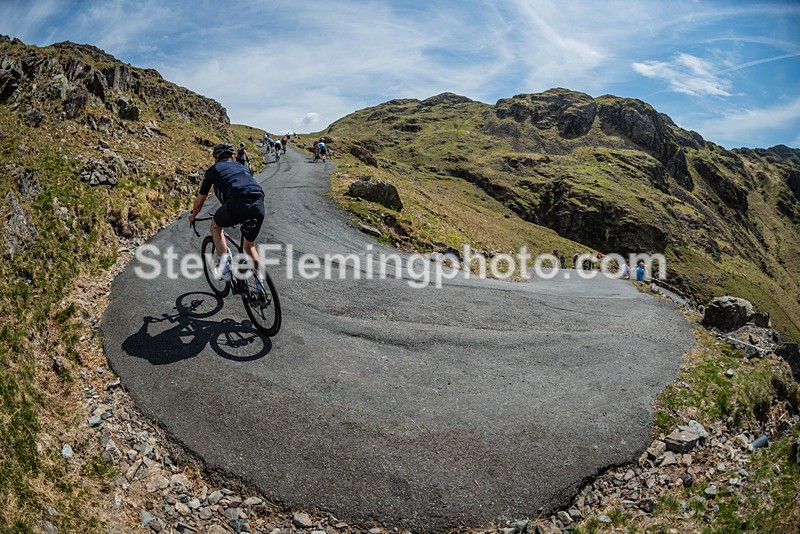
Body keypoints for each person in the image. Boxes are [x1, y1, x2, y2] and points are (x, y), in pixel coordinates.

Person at [188, 143, 266, 289]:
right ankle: (260, 285)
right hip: (259, 202)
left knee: (216, 225)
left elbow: (199, 202)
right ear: (231, 156)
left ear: (216, 158)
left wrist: (193, 216)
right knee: (250, 246)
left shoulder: (213, 169)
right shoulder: (242, 167)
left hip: (236, 201)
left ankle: (224, 268)